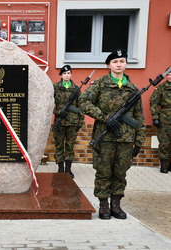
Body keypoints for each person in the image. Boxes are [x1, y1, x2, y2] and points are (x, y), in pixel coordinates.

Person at [79, 49, 146, 220]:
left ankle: (116, 205)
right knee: (103, 172)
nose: (118, 64)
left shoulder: (133, 89)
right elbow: (83, 102)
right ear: (109, 65)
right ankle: (103, 205)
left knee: (120, 172)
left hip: (126, 138)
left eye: (122, 61)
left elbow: (139, 116)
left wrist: (139, 140)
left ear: (126, 64)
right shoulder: (100, 84)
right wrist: (104, 118)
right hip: (105, 137)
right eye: (115, 62)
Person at [52, 65, 84, 178]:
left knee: (70, 146)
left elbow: (81, 106)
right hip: (59, 122)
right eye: (65, 73)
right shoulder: (55, 87)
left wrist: (80, 122)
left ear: (71, 74)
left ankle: (68, 170)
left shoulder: (76, 89)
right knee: (59, 145)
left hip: (72, 122)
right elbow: (49, 103)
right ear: (61, 75)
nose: (67, 75)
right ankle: (60, 169)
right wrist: (58, 111)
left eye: (69, 73)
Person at [149, 69, 171, 173]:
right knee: (164, 143)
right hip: (164, 120)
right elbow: (153, 101)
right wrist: (155, 117)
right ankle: (164, 166)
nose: (170, 76)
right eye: (169, 74)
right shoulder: (161, 88)